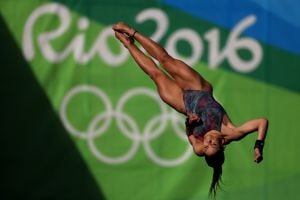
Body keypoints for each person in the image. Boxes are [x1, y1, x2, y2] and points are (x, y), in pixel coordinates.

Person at [112, 22, 269, 198]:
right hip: (198, 88)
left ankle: (127, 44)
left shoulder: (199, 149)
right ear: (222, 145)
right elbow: (262, 122)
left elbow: (190, 134)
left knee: (155, 74)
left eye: (206, 145)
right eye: (213, 143)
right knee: (165, 60)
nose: (208, 141)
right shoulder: (231, 132)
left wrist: (189, 123)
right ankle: (132, 32)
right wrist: (258, 146)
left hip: (183, 103)